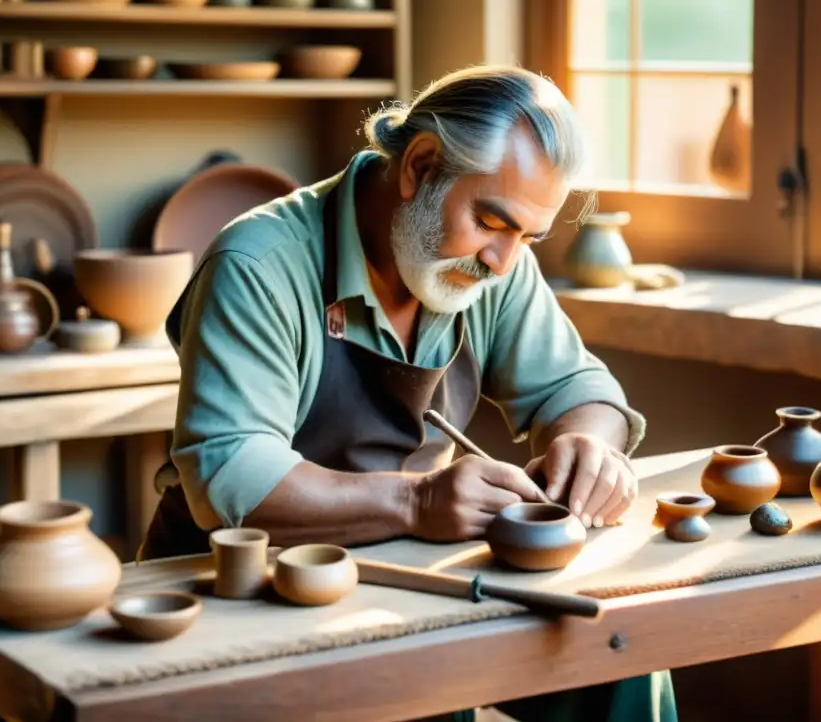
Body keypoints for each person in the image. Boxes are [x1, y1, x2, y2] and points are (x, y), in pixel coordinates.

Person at [140, 64, 678, 722]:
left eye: (527, 238)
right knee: (419, 691)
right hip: (239, 593)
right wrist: (418, 500)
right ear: (421, 166)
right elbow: (231, 475)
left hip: (406, 573)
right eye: (489, 221)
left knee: (621, 655)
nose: (503, 262)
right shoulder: (258, 264)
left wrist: (588, 446)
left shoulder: (495, 264)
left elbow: (580, 388)